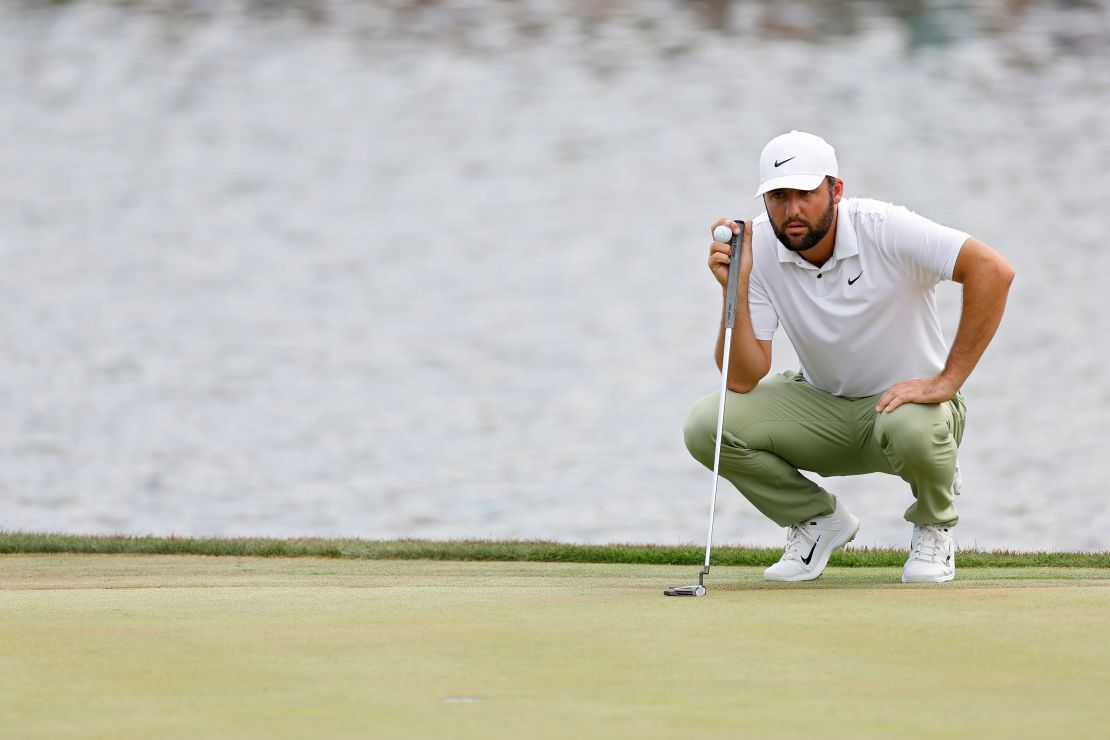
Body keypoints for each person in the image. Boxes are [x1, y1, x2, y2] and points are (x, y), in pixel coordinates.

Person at [683, 130, 1015, 583]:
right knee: (708, 424)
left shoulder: (884, 227)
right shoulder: (755, 249)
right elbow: (742, 379)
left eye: (804, 194)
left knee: (913, 428)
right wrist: (734, 289)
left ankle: (934, 525)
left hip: (908, 411)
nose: (791, 210)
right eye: (778, 196)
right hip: (822, 407)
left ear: (835, 191)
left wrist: (947, 382)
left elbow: (993, 271)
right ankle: (818, 520)